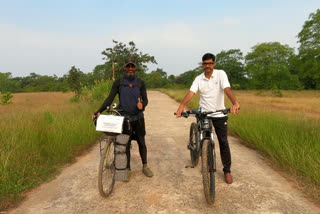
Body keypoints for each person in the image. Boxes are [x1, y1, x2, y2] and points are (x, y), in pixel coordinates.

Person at [175, 53, 240, 184]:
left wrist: (235, 103)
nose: (207, 66)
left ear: (214, 64)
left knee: (223, 142)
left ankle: (227, 170)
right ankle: (208, 162)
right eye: (205, 63)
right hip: (204, 114)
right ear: (202, 65)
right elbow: (191, 92)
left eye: (210, 63)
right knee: (205, 139)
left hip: (219, 114)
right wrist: (181, 105)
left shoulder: (221, 74)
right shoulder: (198, 79)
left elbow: (227, 90)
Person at [92, 56, 153, 179]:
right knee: (126, 143)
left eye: (132, 66)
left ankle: (145, 166)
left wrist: (143, 105)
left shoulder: (141, 83)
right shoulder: (119, 82)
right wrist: (98, 111)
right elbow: (109, 99)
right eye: (128, 66)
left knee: (141, 142)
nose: (130, 68)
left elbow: (145, 100)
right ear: (124, 67)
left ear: (135, 67)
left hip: (138, 118)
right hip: (124, 119)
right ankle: (128, 168)